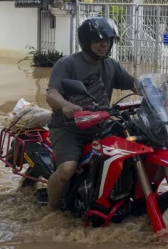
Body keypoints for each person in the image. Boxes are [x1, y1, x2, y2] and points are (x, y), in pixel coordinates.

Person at [45, 17, 137, 212]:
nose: (105, 44)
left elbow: (135, 84)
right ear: (86, 42)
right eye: (98, 41)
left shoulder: (111, 65)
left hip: (102, 124)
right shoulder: (67, 64)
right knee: (67, 169)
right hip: (69, 128)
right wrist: (65, 105)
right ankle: (51, 210)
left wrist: (158, 92)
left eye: (108, 40)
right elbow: (52, 93)